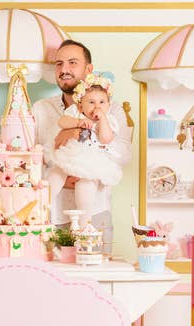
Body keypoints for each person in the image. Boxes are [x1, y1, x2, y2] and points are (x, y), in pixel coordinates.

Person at [33, 40, 131, 252]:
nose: (64, 69)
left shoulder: (111, 110)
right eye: (59, 64)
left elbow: (123, 155)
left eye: (72, 63)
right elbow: (31, 158)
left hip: (95, 213)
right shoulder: (41, 109)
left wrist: (90, 162)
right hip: (51, 217)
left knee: (95, 279)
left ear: (89, 70)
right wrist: (69, 134)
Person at [47, 73, 123, 224]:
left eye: (102, 102)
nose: (97, 107)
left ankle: (83, 225)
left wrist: (102, 120)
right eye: (91, 102)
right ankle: (43, 204)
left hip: (92, 162)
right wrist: (78, 121)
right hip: (71, 155)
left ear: (108, 105)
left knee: (85, 192)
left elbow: (106, 139)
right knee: (55, 175)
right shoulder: (76, 113)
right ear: (81, 105)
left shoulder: (109, 121)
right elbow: (62, 122)